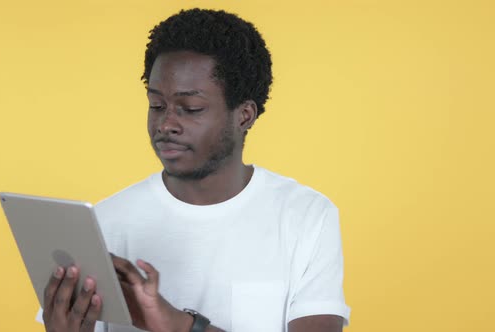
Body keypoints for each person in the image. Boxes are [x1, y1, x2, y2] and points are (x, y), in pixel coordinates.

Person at [38, 8, 350, 332]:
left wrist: (179, 324)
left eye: (191, 109)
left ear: (244, 115)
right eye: (156, 105)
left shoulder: (306, 217)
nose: (166, 123)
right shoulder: (102, 224)